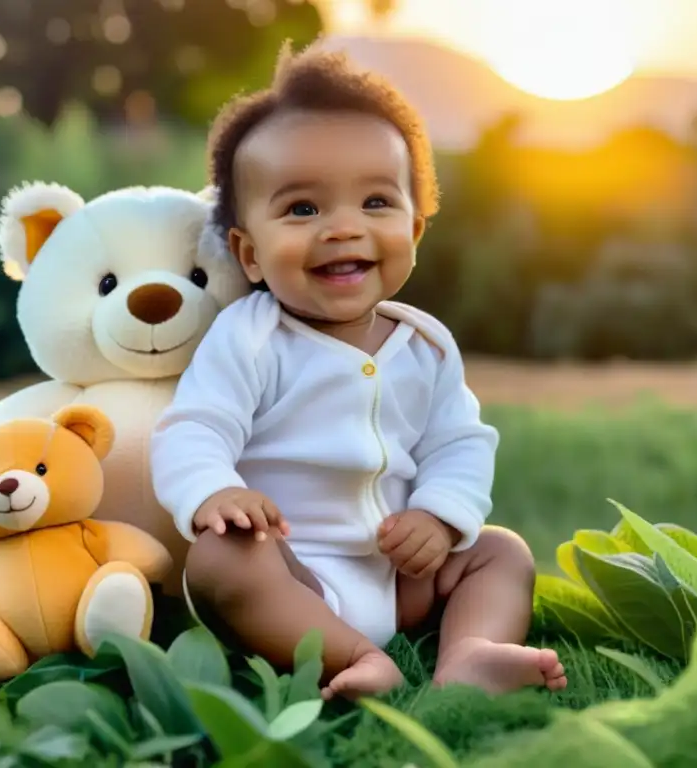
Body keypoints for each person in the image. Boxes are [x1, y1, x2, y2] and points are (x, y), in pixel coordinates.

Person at [150, 41, 568, 701]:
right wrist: (214, 494)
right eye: (303, 209)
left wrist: (438, 518)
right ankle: (359, 656)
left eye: (376, 203)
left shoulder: (426, 346)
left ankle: (470, 652)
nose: (344, 228)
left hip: (401, 574)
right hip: (291, 578)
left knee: (500, 551)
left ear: (417, 228)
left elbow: (458, 444)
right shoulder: (252, 337)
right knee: (219, 560)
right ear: (249, 253)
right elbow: (193, 426)